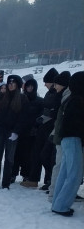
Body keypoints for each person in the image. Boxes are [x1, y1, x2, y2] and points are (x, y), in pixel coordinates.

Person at [21, 67, 60, 189]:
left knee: (48, 157)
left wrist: (45, 116)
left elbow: (55, 112)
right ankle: (34, 179)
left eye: (46, 82)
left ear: (53, 82)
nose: (45, 85)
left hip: (51, 130)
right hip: (42, 129)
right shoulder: (49, 94)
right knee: (37, 155)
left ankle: (49, 180)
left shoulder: (58, 95)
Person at [51, 71, 83, 216]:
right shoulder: (78, 101)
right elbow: (78, 124)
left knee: (64, 173)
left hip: (66, 139)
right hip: (73, 139)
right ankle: (61, 205)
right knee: (74, 174)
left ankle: (57, 202)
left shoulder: (70, 99)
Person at [0, 74, 29, 189]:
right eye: (9, 82)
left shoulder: (22, 98)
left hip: (12, 131)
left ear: (17, 85)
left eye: (13, 82)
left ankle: (6, 183)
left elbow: (23, 117)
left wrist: (16, 131)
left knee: (9, 159)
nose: (11, 84)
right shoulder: (2, 96)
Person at [12, 77, 43, 182]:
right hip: (19, 130)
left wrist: (36, 126)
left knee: (28, 155)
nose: (30, 88)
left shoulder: (39, 101)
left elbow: (41, 116)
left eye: (32, 86)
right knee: (15, 154)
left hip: (31, 132)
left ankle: (26, 175)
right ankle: (12, 174)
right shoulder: (19, 98)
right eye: (28, 86)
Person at [48, 71, 72, 201]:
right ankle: (55, 194)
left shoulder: (67, 96)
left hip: (64, 136)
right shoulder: (63, 95)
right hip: (62, 137)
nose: (54, 86)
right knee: (61, 166)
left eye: (56, 84)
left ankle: (56, 193)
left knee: (62, 166)